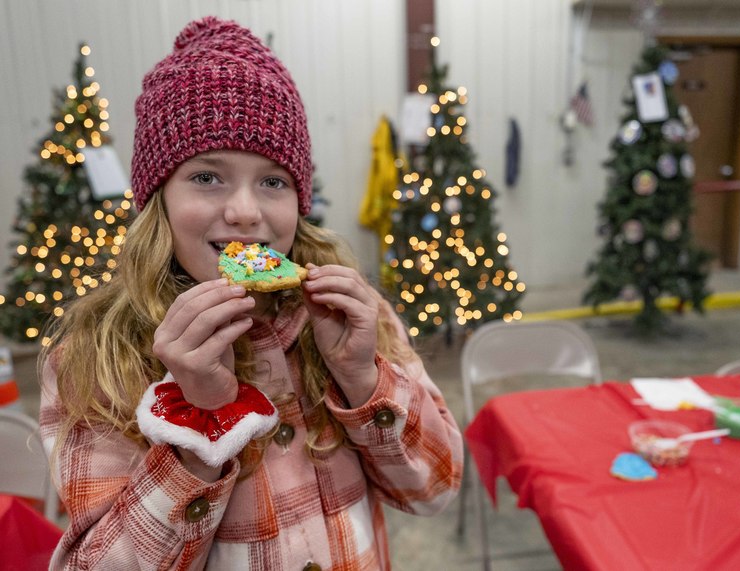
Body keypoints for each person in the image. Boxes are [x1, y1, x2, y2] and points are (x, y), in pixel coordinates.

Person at [39, 16, 462, 570]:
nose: (244, 212)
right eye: (206, 177)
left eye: (272, 182)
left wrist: (362, 377)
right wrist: (198, 426)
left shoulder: (355, 316)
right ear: (158, 199)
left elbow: (435, 491)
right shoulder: (93, 357)